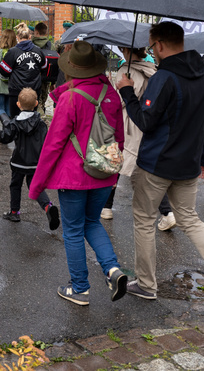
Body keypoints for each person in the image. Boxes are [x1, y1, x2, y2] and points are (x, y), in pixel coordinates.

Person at [117, 21, 204, 306]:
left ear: (159, 45)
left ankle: (147, 285)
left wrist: (126, 91)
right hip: (189, 163)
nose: (152, 52)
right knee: (190, 220)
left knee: (145, 221)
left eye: (152, 47)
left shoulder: (165, 77)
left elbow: (146, 122)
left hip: (157, 163)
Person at [29, 41, 128, 305]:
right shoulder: (111, 94)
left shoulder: (70, 98)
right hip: (104, 172)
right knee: (92, 222)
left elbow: (52, 145)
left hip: (74, 175)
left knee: (73, 230)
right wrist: (114, 174)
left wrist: (36, 186)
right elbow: (119, 138)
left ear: (71, 70)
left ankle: (80, 288)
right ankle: (112, 269)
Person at [0, 87, 58, 228]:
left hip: (19, 162)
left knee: (15, 185)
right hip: (36, 162)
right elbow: (46, 142)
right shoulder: (41, 124)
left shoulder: (15, 123)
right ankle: (48, 206)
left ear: (18, 104)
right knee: (34, 186)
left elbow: (5, 138)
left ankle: (14, 212)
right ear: (36, 103)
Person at [102, 46, 157, 221]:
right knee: (145, 166)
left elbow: (119, 102)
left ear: (125, 49)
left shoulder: (127, 71)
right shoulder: (151, 69)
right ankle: (166, 211)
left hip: (126, 124)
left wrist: (111, 88)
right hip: (145, 123)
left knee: (115, 163)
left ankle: (107, 206)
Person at [0, 26, 47, 118]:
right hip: (34, 90)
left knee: (15, 118)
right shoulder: (38, 50)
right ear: (30, 37)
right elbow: (44, 67)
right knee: (32, 118)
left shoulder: (12, 52)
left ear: (17, 37)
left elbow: (4, 71)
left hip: (17, 90)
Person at [0, 29, 16, 116]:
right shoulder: (16, 51)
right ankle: (8, 128)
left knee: (0, 108)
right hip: (12, 84)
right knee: (9, 109)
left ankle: (5, 125)